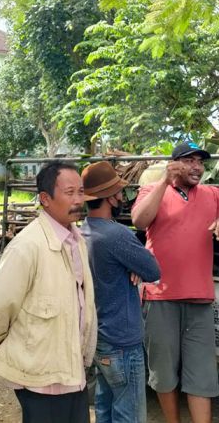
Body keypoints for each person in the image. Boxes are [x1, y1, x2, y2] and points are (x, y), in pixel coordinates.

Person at [131, 141, 219, 423]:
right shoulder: (153, 190)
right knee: (164, 373)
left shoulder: (212, 194)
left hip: (200, 299)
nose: (197, 167)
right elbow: (139, 220)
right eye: (189, 161)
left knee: (201, 375)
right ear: (174, 164)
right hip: (160, 296)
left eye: (200, 162)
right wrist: (164, 180)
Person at [0, 161, 97, 423]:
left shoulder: (76, 240)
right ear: (45, 199)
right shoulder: (27, 246)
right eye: (70, 193)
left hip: (72, 371)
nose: (79, 199)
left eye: (81, 191)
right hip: (41, 377)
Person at [80, 161, 161, 423]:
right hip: (122, 341)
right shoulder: (117, 235)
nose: (121, 197)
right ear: (111, 198)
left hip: (99, 338)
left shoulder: (83, 231)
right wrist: (133, 265)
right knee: (129, 414)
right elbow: (152, 270)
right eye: (119, 193)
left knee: (104, 407)